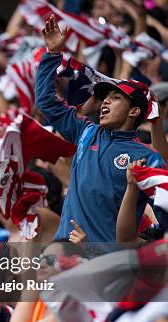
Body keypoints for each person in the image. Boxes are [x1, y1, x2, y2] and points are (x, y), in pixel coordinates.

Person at [36, 14, 165, 242]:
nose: (105, 101)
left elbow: (164, 210)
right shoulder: (86, 131)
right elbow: (46, 102)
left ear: (134, 111)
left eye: (115, 98)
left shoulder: (146, 157)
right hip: (64, 248)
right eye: (105, 97)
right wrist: (52, 54)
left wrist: (144, 243)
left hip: (104, 264)